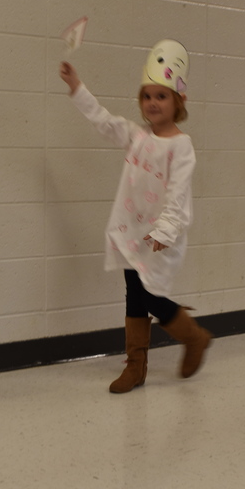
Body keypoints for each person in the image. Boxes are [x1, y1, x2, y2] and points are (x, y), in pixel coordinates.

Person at [59, 39, 212, 393]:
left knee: (151, 297)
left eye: (161, 96)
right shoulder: (137, 136)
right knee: (133, 294)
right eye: (147, 96)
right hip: (133, 233)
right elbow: (103, 121)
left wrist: (166, 229)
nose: (153, 103)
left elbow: (178, 192)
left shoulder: (181, 146)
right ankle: (136, 366)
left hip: (160, 237)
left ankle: (194, 337)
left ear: (179, 101)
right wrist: (77, 88)